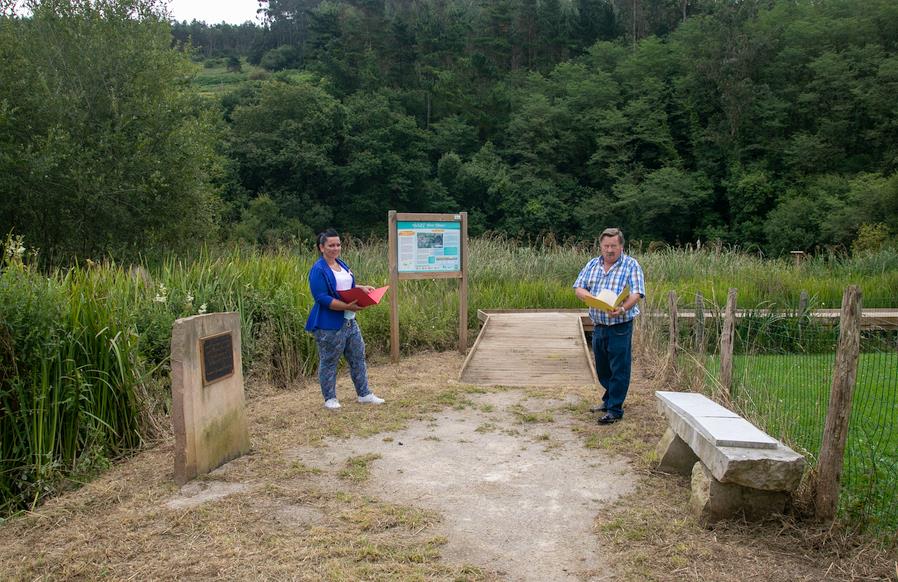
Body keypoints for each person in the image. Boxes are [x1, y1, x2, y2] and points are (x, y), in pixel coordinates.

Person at [305, 229, 385, 410]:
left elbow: (342, 286)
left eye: (338, 244)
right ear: (321, 248)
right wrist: (347, 306)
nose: (335, 248)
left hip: (350, 321)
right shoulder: (318, 270)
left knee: (358, 357)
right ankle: (330, 398)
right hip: (329, 324)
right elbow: (322, 297)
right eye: (331, 245)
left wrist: (361, 288)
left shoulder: (341, 264)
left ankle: (364, 394)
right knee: (329, 361)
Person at [573, 228, 645, 425]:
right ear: (601, 246)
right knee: (602, 367)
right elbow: (578, 286)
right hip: (598, 324)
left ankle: (614, 409)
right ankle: (608, 399)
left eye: (614, 246)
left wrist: (622, 308)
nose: (610, 250)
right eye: (606, 246)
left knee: (619, 368)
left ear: (621, 246)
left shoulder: (631, 265)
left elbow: (636, 293)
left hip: (620, 324)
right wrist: (587, 297)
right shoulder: (592, 264)